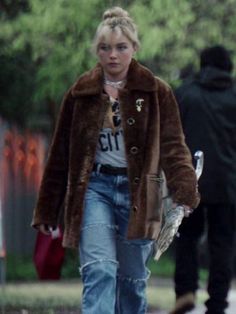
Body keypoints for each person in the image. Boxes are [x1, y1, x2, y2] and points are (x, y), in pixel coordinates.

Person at [31, 6, 199, 314]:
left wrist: (184, 192)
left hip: (140, 194)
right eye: (105, 48)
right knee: (100, 269)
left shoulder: (156, 91)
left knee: (132, 280)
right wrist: (48, 208)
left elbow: (174, 146)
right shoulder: (80, 94)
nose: (113, 55)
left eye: (121, 47)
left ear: (134, 48)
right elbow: (59, 154)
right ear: (97, 51)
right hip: (94, 188)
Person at [170, 45, 236, 314]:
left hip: (190, 183)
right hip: (228, 185)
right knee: (222, 244)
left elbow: (170, 138)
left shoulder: (185, 94)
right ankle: (217, 304)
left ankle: (185, 293)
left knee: (186, 238)